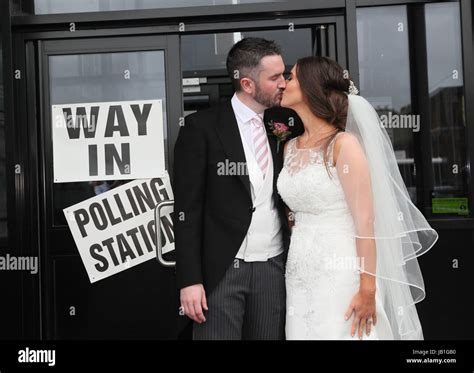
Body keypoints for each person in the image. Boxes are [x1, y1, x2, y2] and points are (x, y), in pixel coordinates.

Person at [277, 56, 438, 339]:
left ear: (311, 87)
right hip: (299, 269)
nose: (284, 83)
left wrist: (367, 287)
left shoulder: (344, 145)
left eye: (291, 77)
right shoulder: (289, 147)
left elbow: (365, 221)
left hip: (342, 270)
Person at [173, 37, 294, 340]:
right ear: (248, 84)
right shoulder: (201, 128)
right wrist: (190, 280)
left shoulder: (285, 123)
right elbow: (187, 210)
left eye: (285, 74)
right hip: (222, 271)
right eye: (275, 77)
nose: (284, 83)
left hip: (272, 269)